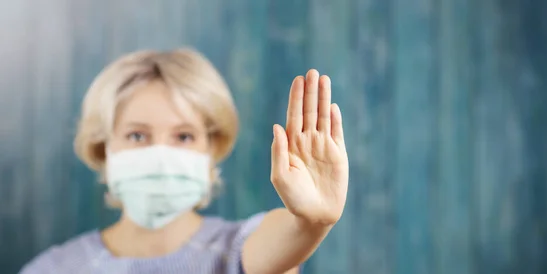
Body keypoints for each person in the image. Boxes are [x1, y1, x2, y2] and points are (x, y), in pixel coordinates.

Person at [19, 48, 348, 274]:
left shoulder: (236, 250)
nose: (161, 155)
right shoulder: (54, 268)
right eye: (137, 135)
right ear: (103, 147)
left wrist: (311, 223)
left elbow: (283, 242)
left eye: (184, 136)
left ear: (211, 147)